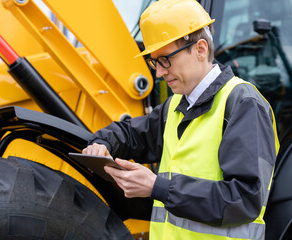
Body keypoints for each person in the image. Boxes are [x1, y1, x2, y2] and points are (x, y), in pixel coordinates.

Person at [82, 0, 279, 239]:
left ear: (200, 49)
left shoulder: (243, 104)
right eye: (154, 61)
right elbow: (133, 134)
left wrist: (157, 187)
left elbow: (245, 200)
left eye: (165, 59)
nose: (159, 72)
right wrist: (103, 143)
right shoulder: (176, 105)